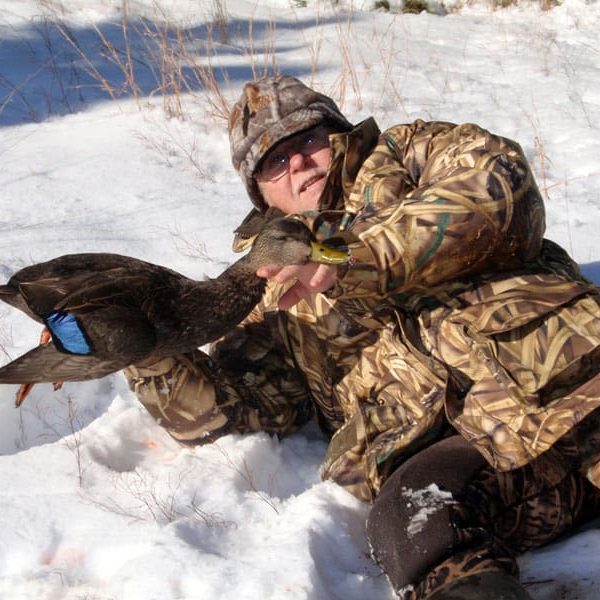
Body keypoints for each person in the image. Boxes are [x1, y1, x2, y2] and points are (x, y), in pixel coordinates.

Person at [124, 75, 600, 599]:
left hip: (579, 390)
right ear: (259, 194)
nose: (298, 163)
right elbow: (234, 409)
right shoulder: (267, 289)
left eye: (307, 139)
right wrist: (139, 341)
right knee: (413, 515)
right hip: (486, 462)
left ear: (339, 134)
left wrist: (352, 255)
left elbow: (500, 188)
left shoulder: (409, 154)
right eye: (274, 161)